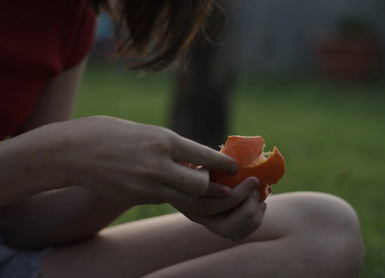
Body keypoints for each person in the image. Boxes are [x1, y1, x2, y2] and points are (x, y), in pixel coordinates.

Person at [0, 1, 364, 277]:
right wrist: (65, 151)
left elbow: (21, 226)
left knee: (326, 230)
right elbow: (49, 162)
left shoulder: (68, 15)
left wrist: (146, 179)